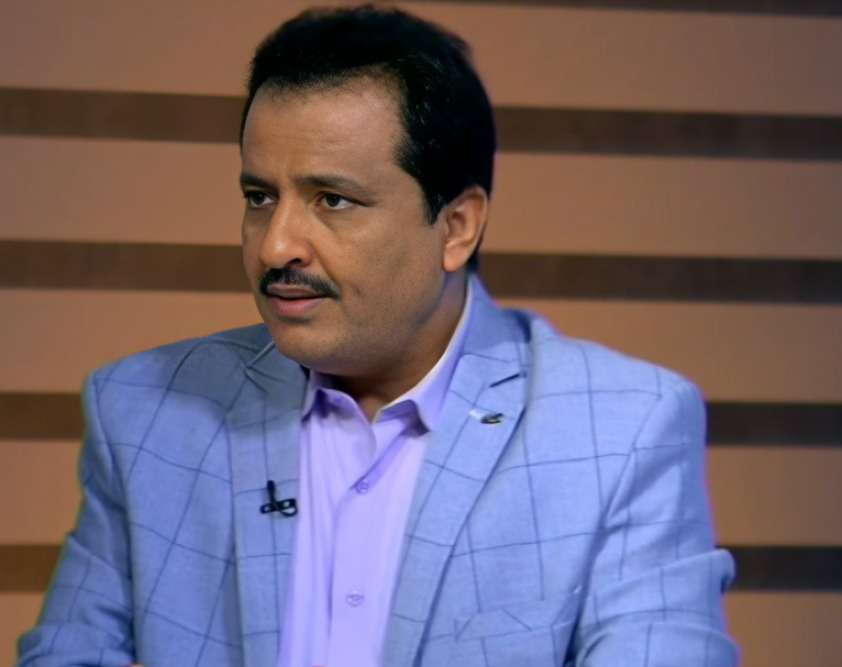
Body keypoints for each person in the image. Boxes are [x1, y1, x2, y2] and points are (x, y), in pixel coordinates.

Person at [17, 5, 738, 666]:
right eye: (259, 197)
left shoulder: (620, 430)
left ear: (457, 226)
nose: (276, 245)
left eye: (332, 200)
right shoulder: (146, 414)